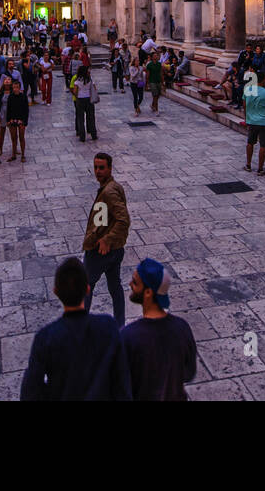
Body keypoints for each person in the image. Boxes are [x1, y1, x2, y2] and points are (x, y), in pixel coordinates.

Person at [20, 257, 131, 401]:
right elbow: (122, 382)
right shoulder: (108, 327)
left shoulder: (45, 338)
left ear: (56, 292)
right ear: (87, 289)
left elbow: (30, 392)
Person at [120, 258, 198, 400]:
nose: (130, 284)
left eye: (135, 282)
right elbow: (189, 373)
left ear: (148, 292)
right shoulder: (182, 328)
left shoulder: (128, 336)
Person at [82, 153, 130, 327]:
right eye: (95, 167)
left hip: (101, 251)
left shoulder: (109, 192)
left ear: (110, 168)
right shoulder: (112, 187)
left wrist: (106, 240)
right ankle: (120, 324)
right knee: (114, 286)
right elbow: (104, 217)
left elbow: (124, 219)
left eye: (102, 168)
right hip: (115, 251)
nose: (98, 171)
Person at [243, 68, 265, 175]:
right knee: (263, 145)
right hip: (264, 122)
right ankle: (260, 169)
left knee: (250, 143)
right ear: (263, 80)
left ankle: (248, 165)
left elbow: (245, 105)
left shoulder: (248, 90)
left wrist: (247, 117)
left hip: (252, 121)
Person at [70, 66, 99, 142]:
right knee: (91, 118)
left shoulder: (77, 81)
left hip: (80, 100)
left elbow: (75, 91)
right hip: (89, 99)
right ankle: (93, 134)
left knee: (80, 118)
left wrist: (76, 96)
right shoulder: (90, 79)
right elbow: (94, 88)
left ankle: (82, 136)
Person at [6, 79, 29, 162]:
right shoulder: (11, 97)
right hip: (12, 119)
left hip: (21, 120)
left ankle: (23, 155)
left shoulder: (23, 96)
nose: (15, 89)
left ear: (19, 88)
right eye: (14, 87)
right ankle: (13, 154)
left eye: (17, 87)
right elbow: (8, 109)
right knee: (13, 138)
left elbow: (26, 110)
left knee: (21, 137)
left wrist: (24, 121)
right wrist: (8, 120)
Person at [145, 48, 163, 114]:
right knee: (155, 95)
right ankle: (156, 109)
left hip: (158, 81)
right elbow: (147, 75)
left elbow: (161, 73)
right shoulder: (149, 65)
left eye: (157, 56)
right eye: (155, 56)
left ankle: (153, 105)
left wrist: (162, 82)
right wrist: (147, 84)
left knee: (158, 95)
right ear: (152, 57)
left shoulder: (159, 64)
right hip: (152, 81)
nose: (156, 57)